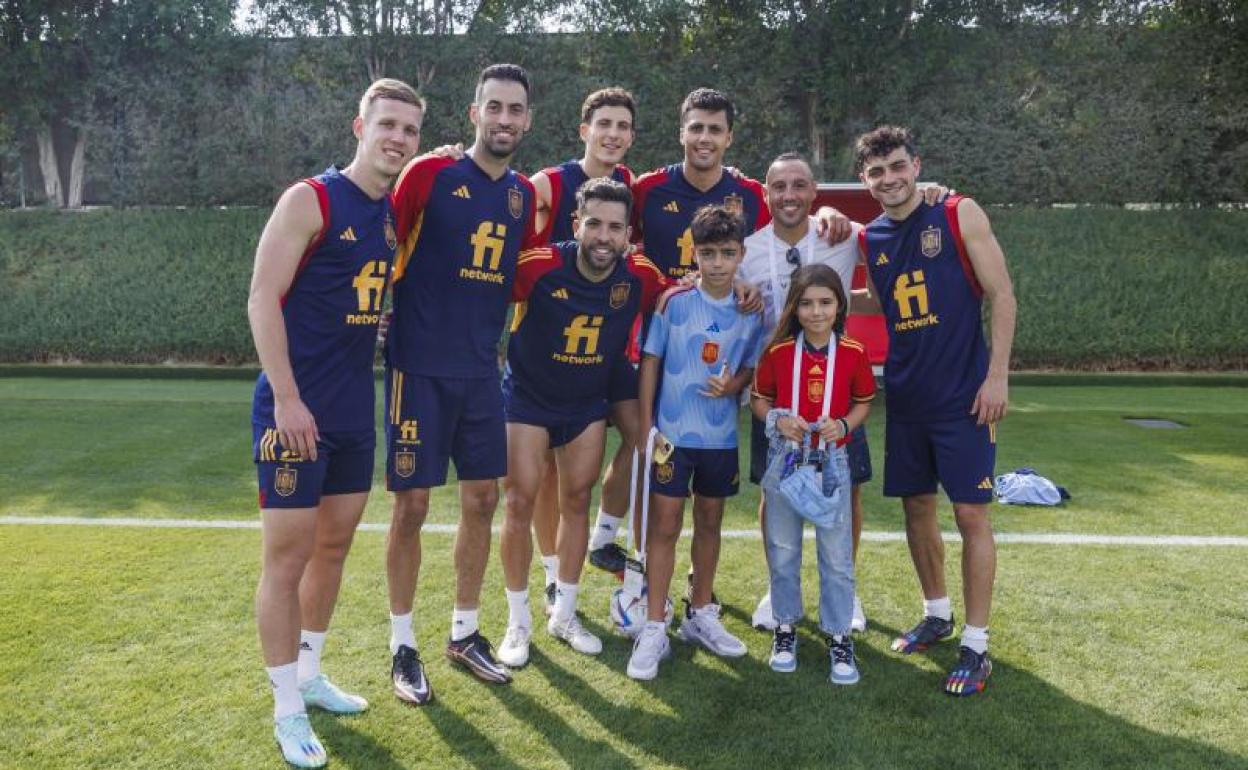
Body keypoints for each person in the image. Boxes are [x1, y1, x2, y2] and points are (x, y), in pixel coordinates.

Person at [247, 79, 423, 767]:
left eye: (409, 130)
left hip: (354, 409)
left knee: (333, 548)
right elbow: (262, 300)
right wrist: (287, 400)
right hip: (294, 409)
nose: (398, 139)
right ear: (360, 126)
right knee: (285, 560)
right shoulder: (309, 199)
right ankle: (286, 708)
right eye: (388, 125)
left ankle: (311, 674)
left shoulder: (386, 217)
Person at [385, 64, 542, 699]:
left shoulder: (523, 195)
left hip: (482, 372)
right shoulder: (429, 173)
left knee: (482, 501)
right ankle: (401, 645)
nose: (505, 119)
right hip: (418, 367)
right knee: (413, 507)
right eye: (494, 107)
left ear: (528, 121)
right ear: (474, 113)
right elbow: (380, 241)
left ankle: (464, 631)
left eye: (516, 110)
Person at [855, 125, 1016, 696]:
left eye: (897, 166)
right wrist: (810, 295)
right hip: (907, 399)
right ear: (865, 180)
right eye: (877, 172)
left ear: (915, 164)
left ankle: (976, 644)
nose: (889, 179)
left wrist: (997, 376)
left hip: (965, 399)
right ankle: (937, 612)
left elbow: (1002, 294)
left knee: (971, 515)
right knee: (916, 508)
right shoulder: (871, 236)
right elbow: (883, 296)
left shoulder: (957, 213)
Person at [496, 178, 669, 668]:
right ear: (576, 224)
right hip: (528, 399)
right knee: (518, 501)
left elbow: (681, 296)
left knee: (576, 502)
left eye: (615, 227)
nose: (603, 236)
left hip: (586, 402)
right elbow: (478, 294)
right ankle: (518, 620)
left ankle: (565, 613)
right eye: (593, 223)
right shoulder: (541, 266)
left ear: (629, 234)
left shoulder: (640, 274)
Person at [740, 152, 878, 633]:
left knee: (847, 492)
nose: (790, 195)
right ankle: (778, 592)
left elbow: (888, 238)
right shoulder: (749, 248)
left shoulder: (840, 235)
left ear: (814, 191)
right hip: (777, 396)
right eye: (780, 187)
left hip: (836, 397)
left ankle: (847, 591)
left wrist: (928, 197)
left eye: (800, 185)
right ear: (766, 193)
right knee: (773, 491)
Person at [627, 205, 764, 681]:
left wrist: (737, 384)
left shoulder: (752, 310)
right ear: (695, 254)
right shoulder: (673, 302)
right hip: (672, 436)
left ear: (741, 254)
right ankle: (653, 624)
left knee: (710, 521)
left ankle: (700, 613)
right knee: (664, 526)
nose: (718, 263)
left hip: (719, 438)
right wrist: (646, 429)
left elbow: (751, 366)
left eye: (728, 253)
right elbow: (650, 364)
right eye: (708, 253)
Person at [527, 88, 642, 610]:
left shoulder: (631, 185)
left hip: (610, 342)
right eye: (604, 124)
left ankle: (607, 543)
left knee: (645, 441)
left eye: (622, 126)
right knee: (550, 468)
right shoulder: (549, 183)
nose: (613, 134)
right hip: (549, 346)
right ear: (584, 130)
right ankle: (552, 573)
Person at [750, 265, 875, 684]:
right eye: (806, 303)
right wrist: (777, 421)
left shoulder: (854, 351)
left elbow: (862, 403)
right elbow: (759, 398)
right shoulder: (779, 352)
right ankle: (785, 628)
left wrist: (844, 425)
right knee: (783, 551)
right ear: (795, 307)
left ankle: (839, 636)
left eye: (825, 302)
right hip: (785, 461)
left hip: (832, 466)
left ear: (839, 305)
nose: (816, 311)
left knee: (836, 557)